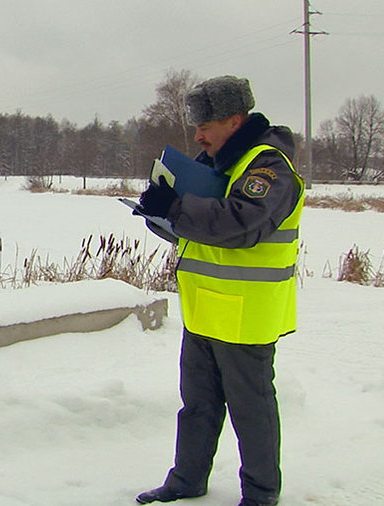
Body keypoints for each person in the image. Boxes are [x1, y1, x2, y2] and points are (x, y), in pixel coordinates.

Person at [134, 76, 304, 506]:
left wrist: (176, 207)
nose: (198, 134)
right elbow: (204, 234)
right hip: (205, 310)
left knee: (252, 411)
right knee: (197, 407)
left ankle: (262, 495)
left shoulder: (269, 166)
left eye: (205, 124)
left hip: (247, 315)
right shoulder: (217, 165)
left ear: (234, 120)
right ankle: (187, 480)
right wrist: (161, 214)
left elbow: (240, 225)